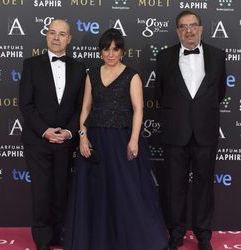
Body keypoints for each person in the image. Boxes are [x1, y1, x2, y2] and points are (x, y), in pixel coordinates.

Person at [64, 28, 168, 250]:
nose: (110, 54)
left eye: (115, 49)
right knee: (95, 191)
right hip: (94, 141)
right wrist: (82, 137)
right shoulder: (91, 74)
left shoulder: (132, 75)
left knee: (125, 191)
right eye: (106, 49)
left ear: (122, 51)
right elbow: (85, 108)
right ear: (100, 51)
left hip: (121, 140)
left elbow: (139, 110)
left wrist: (133, 140)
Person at [156, 10, 226, 250]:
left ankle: (203, 235)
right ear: (177, 31)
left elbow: (219, 93)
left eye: (193, 25)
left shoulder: (218, 56)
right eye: (183, 26)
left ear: (201, 28)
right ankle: (176, 233)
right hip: (175, 133)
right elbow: (160, 93)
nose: (189, 31)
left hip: (205, 132)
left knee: (204, 185)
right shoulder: (164, 57)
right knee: (175, 185)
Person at [19, 19, 86, 250]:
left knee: (61, 190)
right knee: (41, 191)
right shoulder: (31, 64)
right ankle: (42, 240)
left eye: (62, 34)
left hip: (65, 142)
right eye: (52, 33)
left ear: (69, 38)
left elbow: (81, 107)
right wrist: (46, 131)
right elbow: (26, 105)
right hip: (37, 140)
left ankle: (60, 234)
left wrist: (68, 132)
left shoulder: (79, 68)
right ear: (46, 36)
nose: (56, 38)